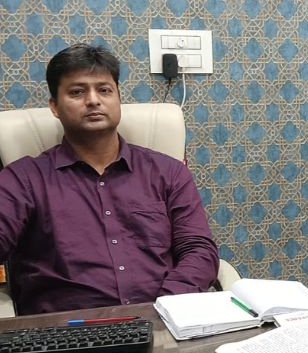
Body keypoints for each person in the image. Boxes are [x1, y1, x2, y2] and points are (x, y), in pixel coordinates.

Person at [0, 43, 219, 315]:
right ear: (54, 106)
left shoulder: (168, 173)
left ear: (118, 99)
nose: (93, 100)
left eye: (104, 90)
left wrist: (165, 308)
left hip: (162, 321)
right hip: (66, 330)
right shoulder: (23, 180)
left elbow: (199, 251)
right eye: (77, 92)